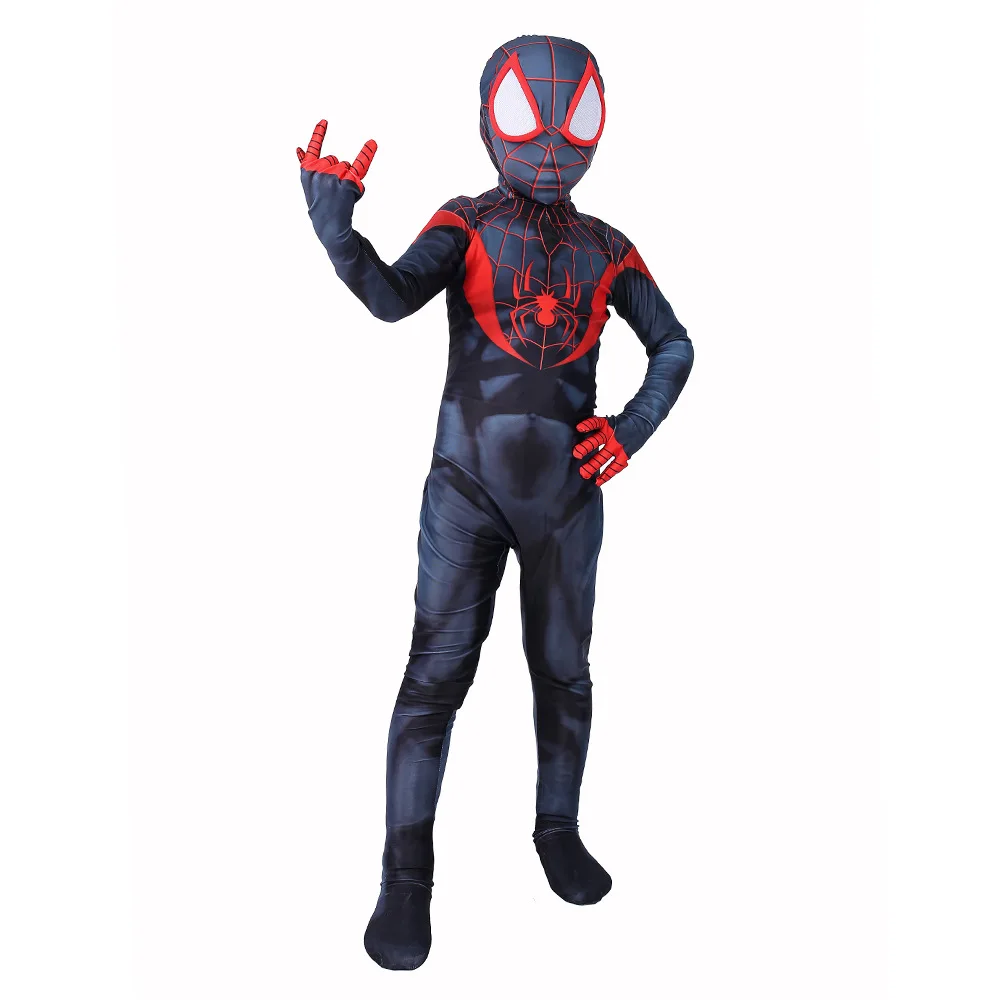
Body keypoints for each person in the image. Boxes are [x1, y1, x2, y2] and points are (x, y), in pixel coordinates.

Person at [297, 34, 694, 970]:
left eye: (573, 115)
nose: (551, 139)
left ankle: (557, 831)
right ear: (489, 120)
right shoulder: (468, 222)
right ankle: (404, 879)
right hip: (467, 491)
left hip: (567, 495)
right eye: (529, 113)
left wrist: (628, 432)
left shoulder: (608, 248)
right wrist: (338, 235)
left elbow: (675, 345)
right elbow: (393, 297)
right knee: (434, 678)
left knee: (563, 672)